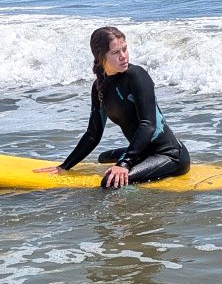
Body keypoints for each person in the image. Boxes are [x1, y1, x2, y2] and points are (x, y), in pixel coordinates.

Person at [34, 26, 190, 188]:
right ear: (100, 56)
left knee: (109, 182)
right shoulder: (99, 87)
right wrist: (64, 167)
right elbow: (93, 134)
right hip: (143, 153)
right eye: (115, 52)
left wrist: (124, 164)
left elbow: (148, 124)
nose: (123, 56)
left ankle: (138, 203)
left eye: (125, 49)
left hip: (169, 155)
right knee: (103, 158)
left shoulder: (136, 75)